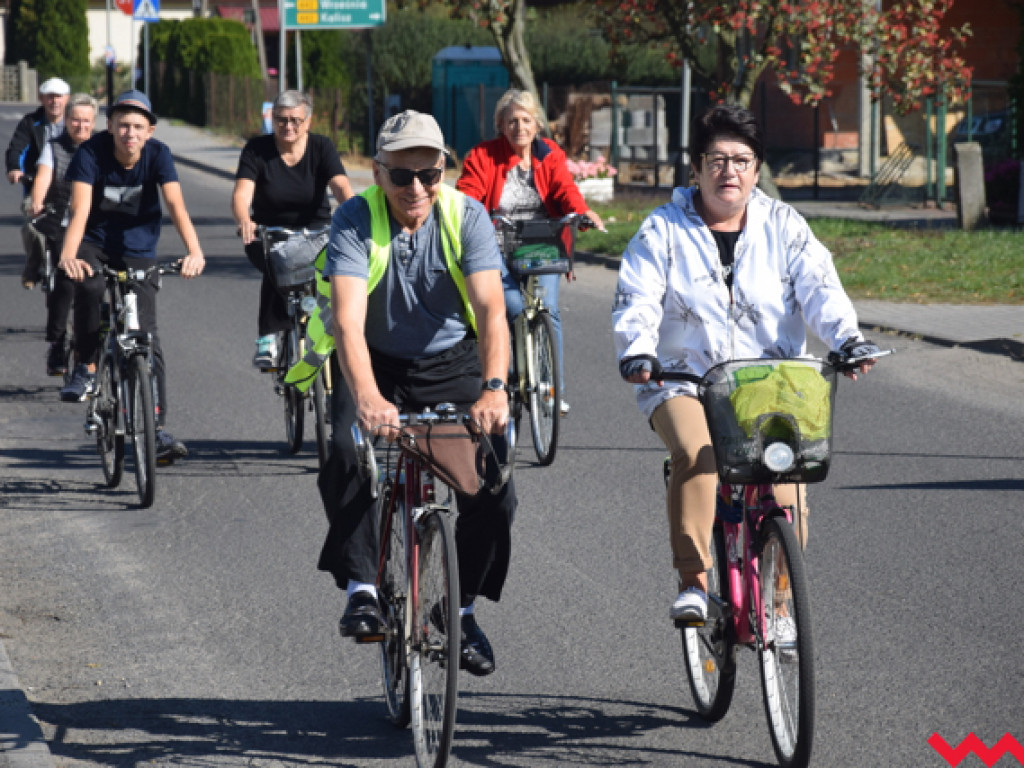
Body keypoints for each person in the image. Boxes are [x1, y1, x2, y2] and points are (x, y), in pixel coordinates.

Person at [612, 104, 880, 624]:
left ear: (756, 169)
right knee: (698, 455)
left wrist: (848, 339)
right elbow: (638, 297)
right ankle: (694, 581)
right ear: (696, 168)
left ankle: (777, 604)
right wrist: (637, 350)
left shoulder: (784, 225)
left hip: (770, 381)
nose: (729, 171)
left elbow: (821, 288)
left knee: (788, 487)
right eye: (716, 160)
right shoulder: (662, 229)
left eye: (742, 160)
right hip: (683, 379)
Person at [317, 110, 515, 677]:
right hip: (373, 362)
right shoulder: (355, 219)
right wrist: (367, 396)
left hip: (451, 363)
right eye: (402, 176)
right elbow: (347, 321)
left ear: (443, 171)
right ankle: (362, 588)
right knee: (347, 449)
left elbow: (491, 310)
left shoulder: (466, 216)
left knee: (495, 483)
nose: (417, 189)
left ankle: (460, 609)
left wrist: (494, 388)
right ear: (377, 173)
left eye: (429, 174)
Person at [57, 90, 205, 464]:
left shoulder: (159, 155)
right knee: (90, 285)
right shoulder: (91, 153)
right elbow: (80, 209)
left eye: (138, 127)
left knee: (147, 337)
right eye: (123, 125)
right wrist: (69, 255)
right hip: (94, 242)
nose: (130, 133)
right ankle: (87, 367)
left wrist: (194, 251)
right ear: (110, 126)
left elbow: (176, 205)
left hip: (138, 248)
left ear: (149, 131)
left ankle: (156, 429)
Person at [456, 88, 605, 416]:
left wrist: (582, 212)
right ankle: (506, 373)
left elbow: (565, 189)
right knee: (510, 306)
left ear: (537, 124)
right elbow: (467, 195)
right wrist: (469, 217)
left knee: (547, 309)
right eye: (512, 121)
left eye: (526, 120)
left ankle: (551, 390)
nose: (519, 127)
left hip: (541, 242)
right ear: (500, 125)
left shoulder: (550, 154)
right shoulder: (482, 156)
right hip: (495, 244)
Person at [231, 89, 354, 369]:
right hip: (269, 233)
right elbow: (241, 194)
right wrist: (244, 219)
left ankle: (338, 333)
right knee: (279, 259)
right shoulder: (257, 150)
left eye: (295, 120)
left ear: (308, 122)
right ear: (272, 119)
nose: (288, 126)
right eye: (281, 119)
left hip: (316, 233)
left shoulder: (321, 147)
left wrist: (355, 212)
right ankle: (268, 336)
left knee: (337, 273)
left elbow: (341, 186)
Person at [28, 93, 99, 377]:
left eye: (86, 121)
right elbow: (44, 176)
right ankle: (57, 342)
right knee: (66, 280)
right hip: (62, 223)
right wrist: (37, 200)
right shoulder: (54, 147)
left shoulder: (102, 148)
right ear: (66, 120)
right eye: (75, 120)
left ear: (94, 122)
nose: (81, 126)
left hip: (96, 227)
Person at [6, 77, 70, 289]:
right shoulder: (30, 122)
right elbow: (17, 148)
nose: (55, 101)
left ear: (67, 99)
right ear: (42, 99)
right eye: (50, 97)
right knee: (32, 227)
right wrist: (14, 168)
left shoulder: (73, 122)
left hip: (69, 187)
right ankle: (33, 266)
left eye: (59, 97)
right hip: (36, 186)